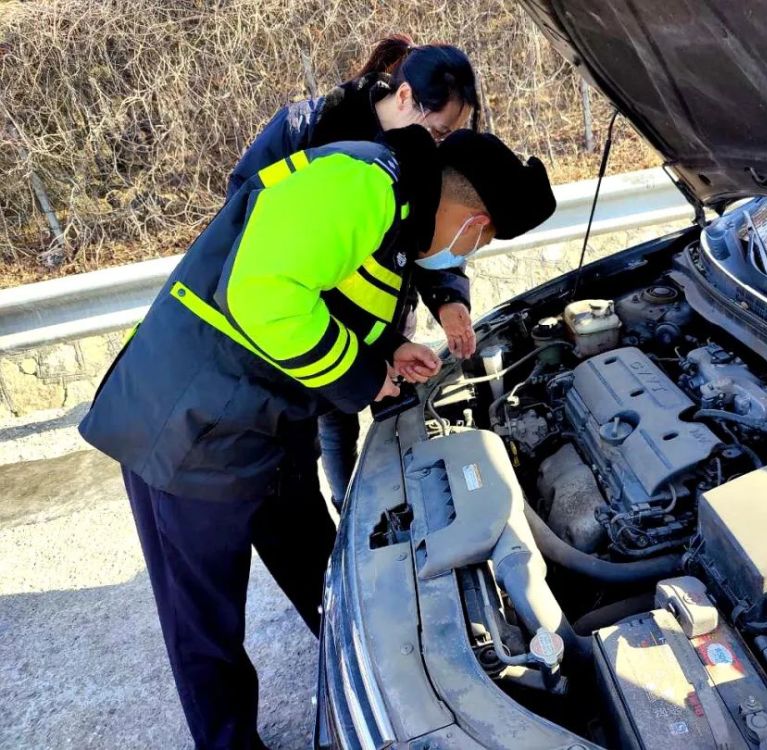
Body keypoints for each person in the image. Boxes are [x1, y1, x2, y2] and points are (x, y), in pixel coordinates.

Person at [78, 124, 556, 750]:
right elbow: (265, 296)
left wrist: (388, 349)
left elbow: (325, 285)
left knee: (317, 562)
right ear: (474, 219)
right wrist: (362, 377)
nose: (465, 257)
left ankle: (368, 681)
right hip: (190, 427)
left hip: (262, 420)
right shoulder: (359, 184)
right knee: (204, 621)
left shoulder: (398, 209)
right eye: (480, 242)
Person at [227, 35, 482, 508]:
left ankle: (405, 504)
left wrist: (449, 298)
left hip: (385, 320)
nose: (441, 144)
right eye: (441, 130)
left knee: (397, 411)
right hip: (314, 323)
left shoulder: (424, 151)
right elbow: (251, 242)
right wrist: (360, 365)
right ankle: (349, 508)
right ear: (404, 96)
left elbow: (429, 236)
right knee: (334, 417)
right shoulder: (307, 131)